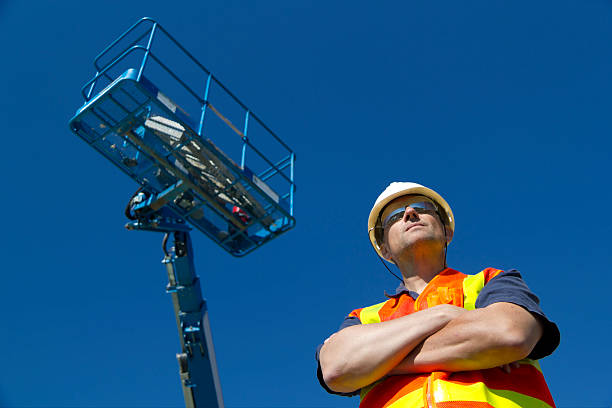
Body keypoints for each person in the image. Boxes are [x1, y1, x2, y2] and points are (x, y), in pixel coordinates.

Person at [316, 182, 560, 407]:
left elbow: (510, 333)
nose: (410, 213)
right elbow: (337, 368)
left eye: (422, 207)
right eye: (394, 216)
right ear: (385, 249)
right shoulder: (364, 317)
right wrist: (444, 314)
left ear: (447, 232)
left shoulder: (490, 281)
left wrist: (379, 364)